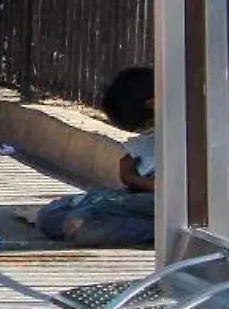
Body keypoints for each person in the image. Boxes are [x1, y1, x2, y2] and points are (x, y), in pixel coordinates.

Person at [36, 68, 157, 247]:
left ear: (153, 104)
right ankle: (98, 208)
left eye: (145, 128)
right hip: (140, 197)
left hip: (162, 202)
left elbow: (170, 192)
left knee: (82, 225)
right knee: (49, 217)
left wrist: (133, 179)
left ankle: (158, 231)